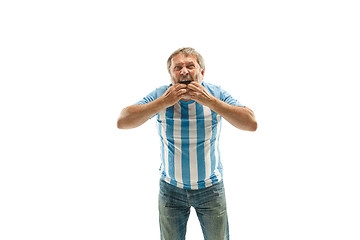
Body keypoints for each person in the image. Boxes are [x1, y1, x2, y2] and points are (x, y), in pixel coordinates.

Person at [117, 47, 257, 240]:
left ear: (202, 72)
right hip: (170, 190)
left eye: (190, 66)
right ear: (171, 74)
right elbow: (123, 121)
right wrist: (164, 102)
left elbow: (251, 123)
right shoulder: (161, 95)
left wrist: (210, 102)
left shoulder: (215, 93)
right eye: (178, 67)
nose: (184, 71)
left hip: (211, 189)